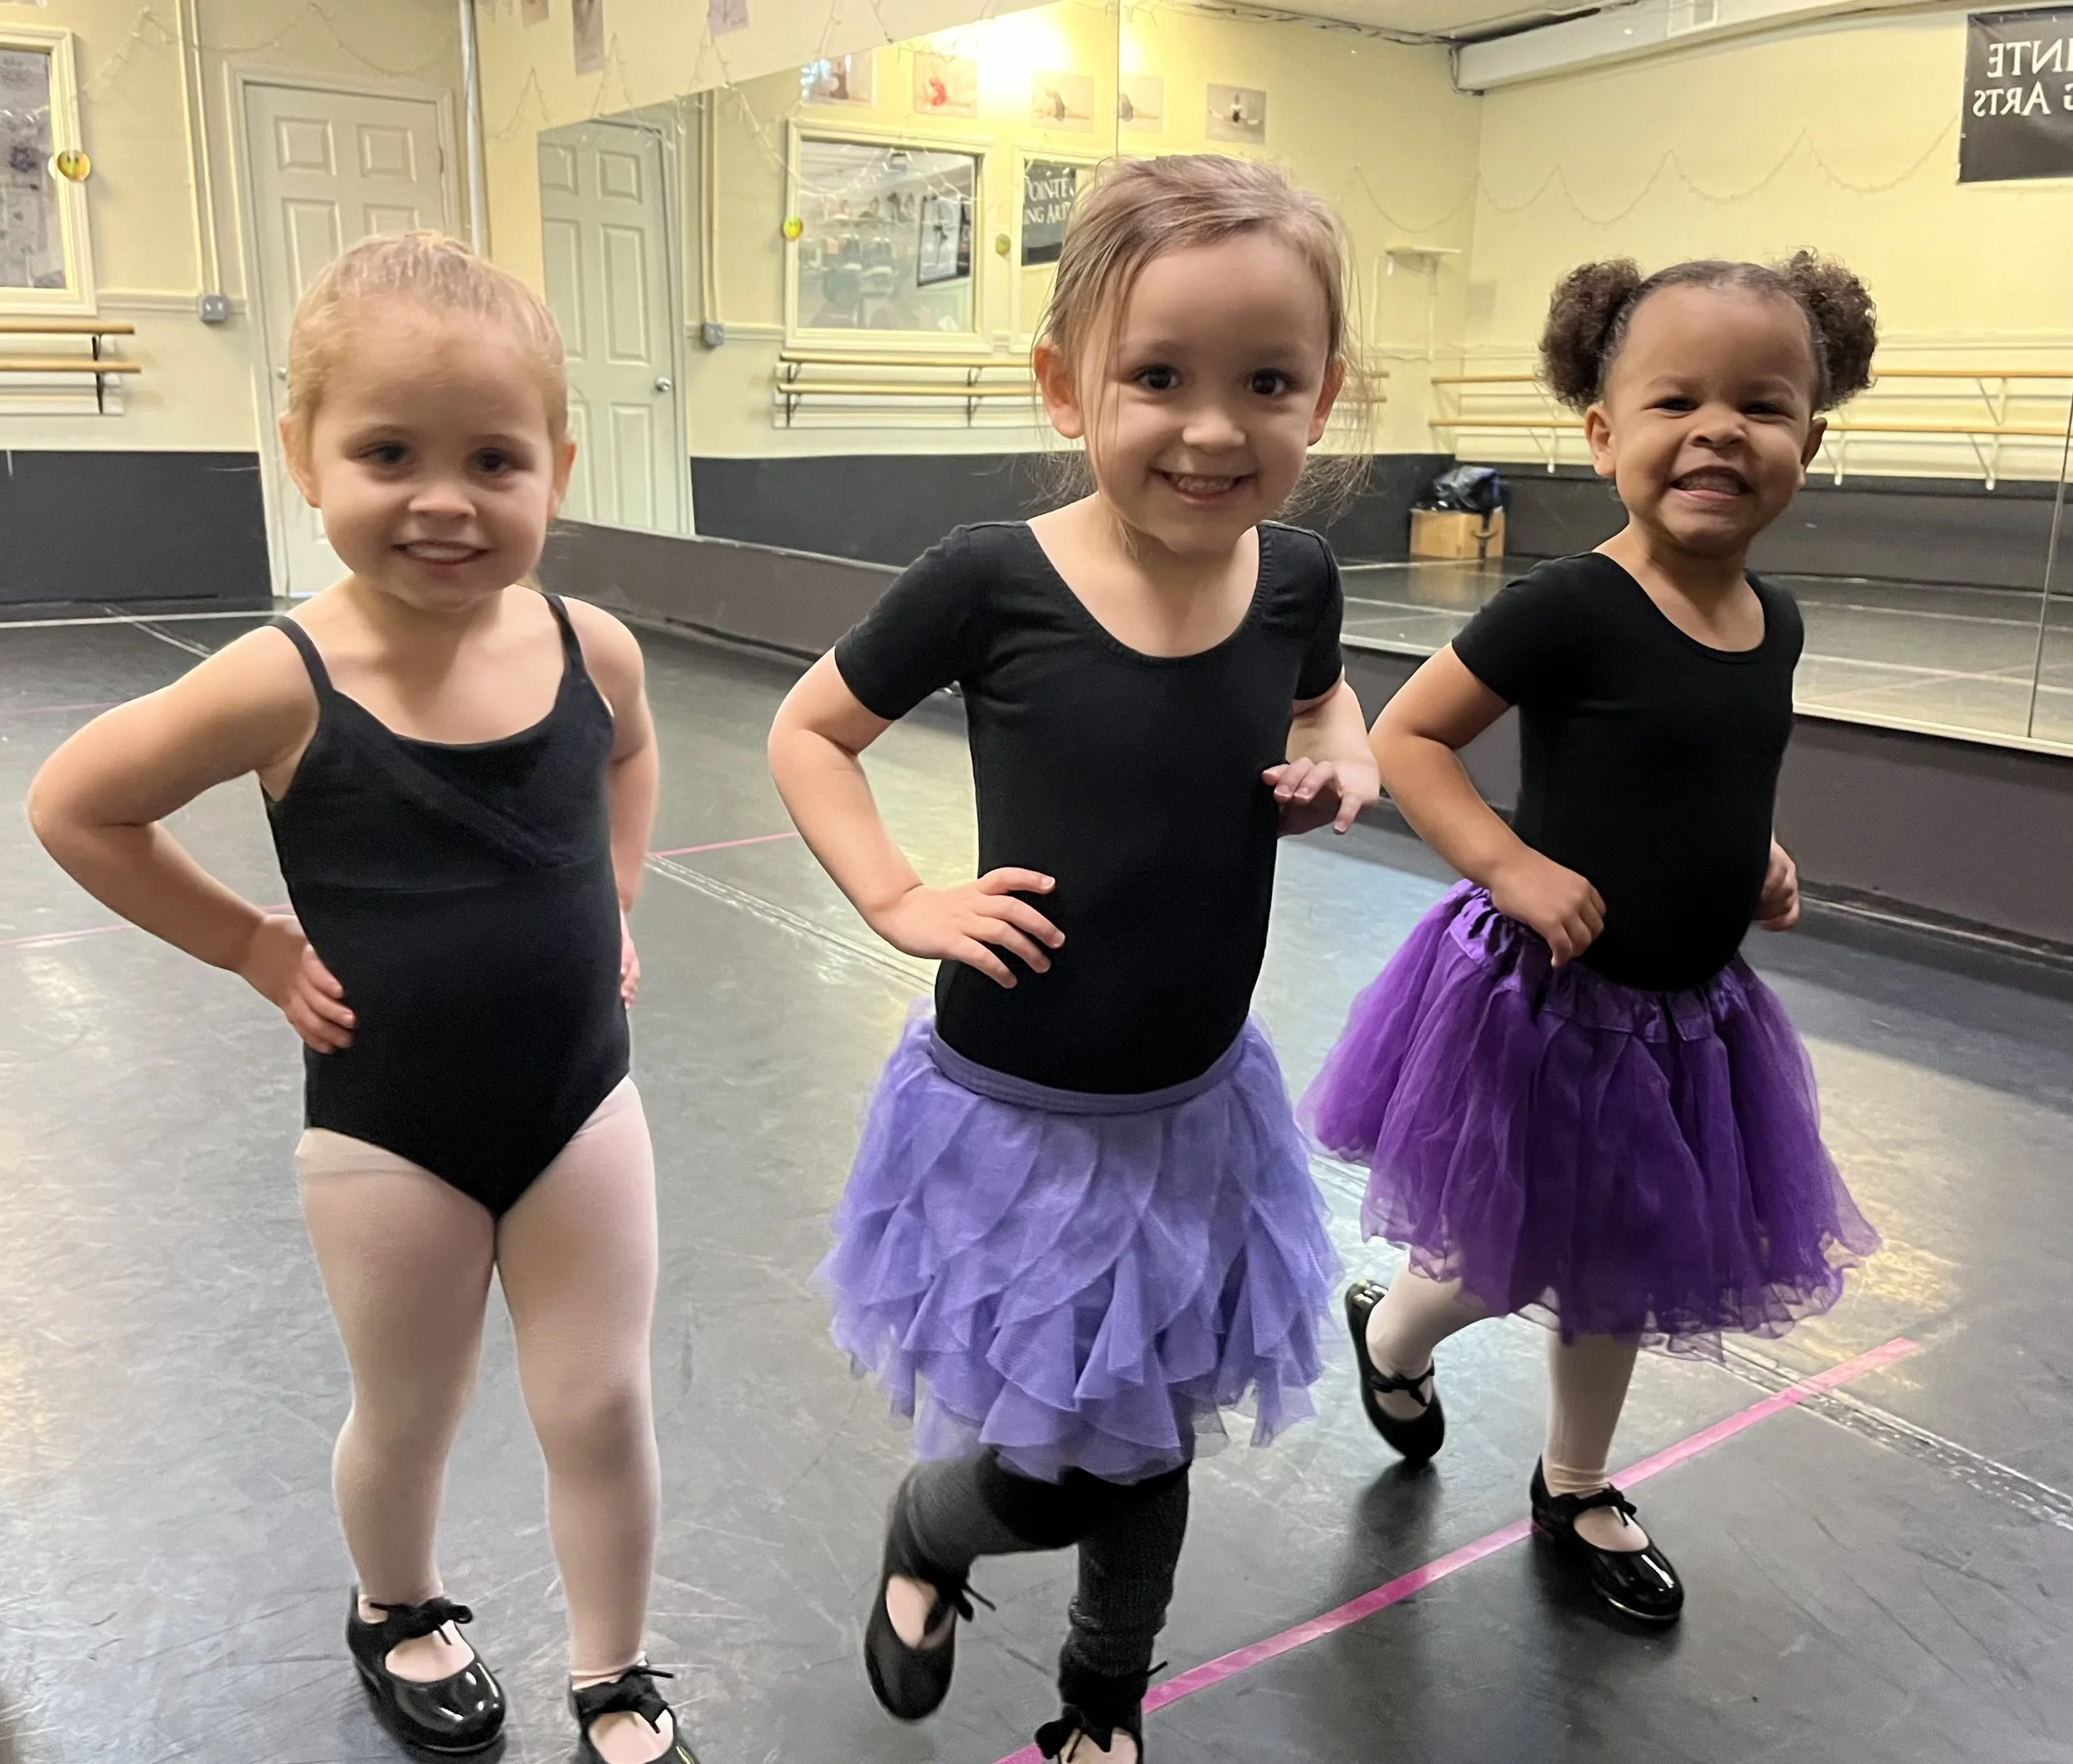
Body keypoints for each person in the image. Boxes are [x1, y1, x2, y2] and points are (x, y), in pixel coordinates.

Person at [28, 233, 692, 1764]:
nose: (444, 499)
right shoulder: (284, 677)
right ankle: (396, 1602)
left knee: (598, 1402)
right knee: (412, 1407)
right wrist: (254, 945)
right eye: (388, 452)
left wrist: (617, 891)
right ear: (303, 457)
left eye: (493, 459)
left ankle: (615, 1672)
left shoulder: (593, 647)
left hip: (584, 1098)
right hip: (388, 1130)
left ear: (557, 467)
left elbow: (631, 752)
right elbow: (75, 803)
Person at [767, 155, 1378, 1762]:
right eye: (1156, 378)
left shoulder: (1296, 580)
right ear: (1064, 385)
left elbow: (1324, 701)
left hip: (1193, 1112)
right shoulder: (991, 579)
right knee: (1051, 1465)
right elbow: (811, 729)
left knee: (1150, 1451)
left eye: (1264, 383)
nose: (1209, 428)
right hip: (1013, 1118)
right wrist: (900, 897)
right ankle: (930, 1525)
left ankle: (1098, 1709)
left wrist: (1348, 766)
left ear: (1324, 394)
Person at [1303, 253, 1885, 1624]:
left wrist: (1759, 854)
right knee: (1499, 1254)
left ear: (1813, 436)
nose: (1719, 430)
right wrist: (1507, 865)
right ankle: (1393, 1335)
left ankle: (1575, 1479)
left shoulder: (1774, 620)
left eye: (1764, 402)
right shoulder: (1569, 605)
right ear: (1602, 431)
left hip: (1691, 1013)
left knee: (1622, 1247)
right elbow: (1412, 737)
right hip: (1546, 1000)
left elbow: (1719, 761)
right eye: (1674, 397)